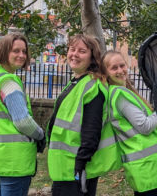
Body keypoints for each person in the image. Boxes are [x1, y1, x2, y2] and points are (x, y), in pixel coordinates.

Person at [47, 34, 121, 196]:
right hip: (64, 166)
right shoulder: (76, 83)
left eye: (82, 51)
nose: (74, 54)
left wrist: (80, 164)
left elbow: (92, 130)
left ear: (92, 58)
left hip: (76, 168)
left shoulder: (92, 86)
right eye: (72, 49)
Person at [0, 33, 46, 196]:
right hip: (13, 161)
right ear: (4, 51)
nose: (21, 55)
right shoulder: (9, 82)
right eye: (16, 51)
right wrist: (40, 135)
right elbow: (22, 121)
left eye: (24, 51)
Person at [101, 50, 157, 196]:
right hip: (148, 169)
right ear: (106, 73)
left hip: (149, 168)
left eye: (122, 65)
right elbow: (145, 126)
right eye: (114, 68)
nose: (120, 70)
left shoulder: (122, 91)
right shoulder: (119, 94)